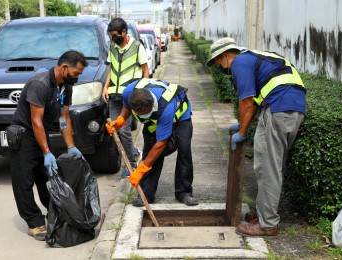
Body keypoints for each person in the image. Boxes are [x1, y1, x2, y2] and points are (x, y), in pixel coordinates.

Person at [206, 37, 306, 236]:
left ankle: (267, 224)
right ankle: (263, 214)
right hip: (291, 109)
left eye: (219, 62)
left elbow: (246, 102)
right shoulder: (255, 57)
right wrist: (243, 125)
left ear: (225, 55)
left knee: (268, 168)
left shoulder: (239, 63)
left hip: (278, 110)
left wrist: (242, 133)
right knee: (271, 166)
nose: (221, 68)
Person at [9, 50, 87, 241]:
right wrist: (46, 152)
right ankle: (34, 222)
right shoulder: (40, 84)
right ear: (64, 67)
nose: (77, 78)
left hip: (41, 132)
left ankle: (53, 211)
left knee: (47, 178)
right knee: (24, 181)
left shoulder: (65, 86)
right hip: (25, 134)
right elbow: (36, 122)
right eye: (76, 73)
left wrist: (71, 146)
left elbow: (64, 117)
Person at [106, 78, 199, 207]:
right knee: (150, 151)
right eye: (139, 114)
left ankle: (184, 193)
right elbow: (126, 107)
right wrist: (121, 120)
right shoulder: (129, 92)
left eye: (145, 113)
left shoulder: (165, 106)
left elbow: (161, 143)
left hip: (180, 117)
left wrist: (141, 169)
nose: (142, 116)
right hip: (154, 120)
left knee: (184, 150)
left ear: (151, 105)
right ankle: (146, 193)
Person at [102, 17, 149, 176]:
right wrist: (105, 87)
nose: (112, 38)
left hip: (129, 96)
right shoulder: (112, 47)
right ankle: (134, 152)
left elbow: (145, 70)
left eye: (115, 35)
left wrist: (144, 91)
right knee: (115, 130)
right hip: (114, 96)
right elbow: (111, 68)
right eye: (110, 35)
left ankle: (131, 165)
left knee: (124, 131)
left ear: (124, 32)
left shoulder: (137, 47)